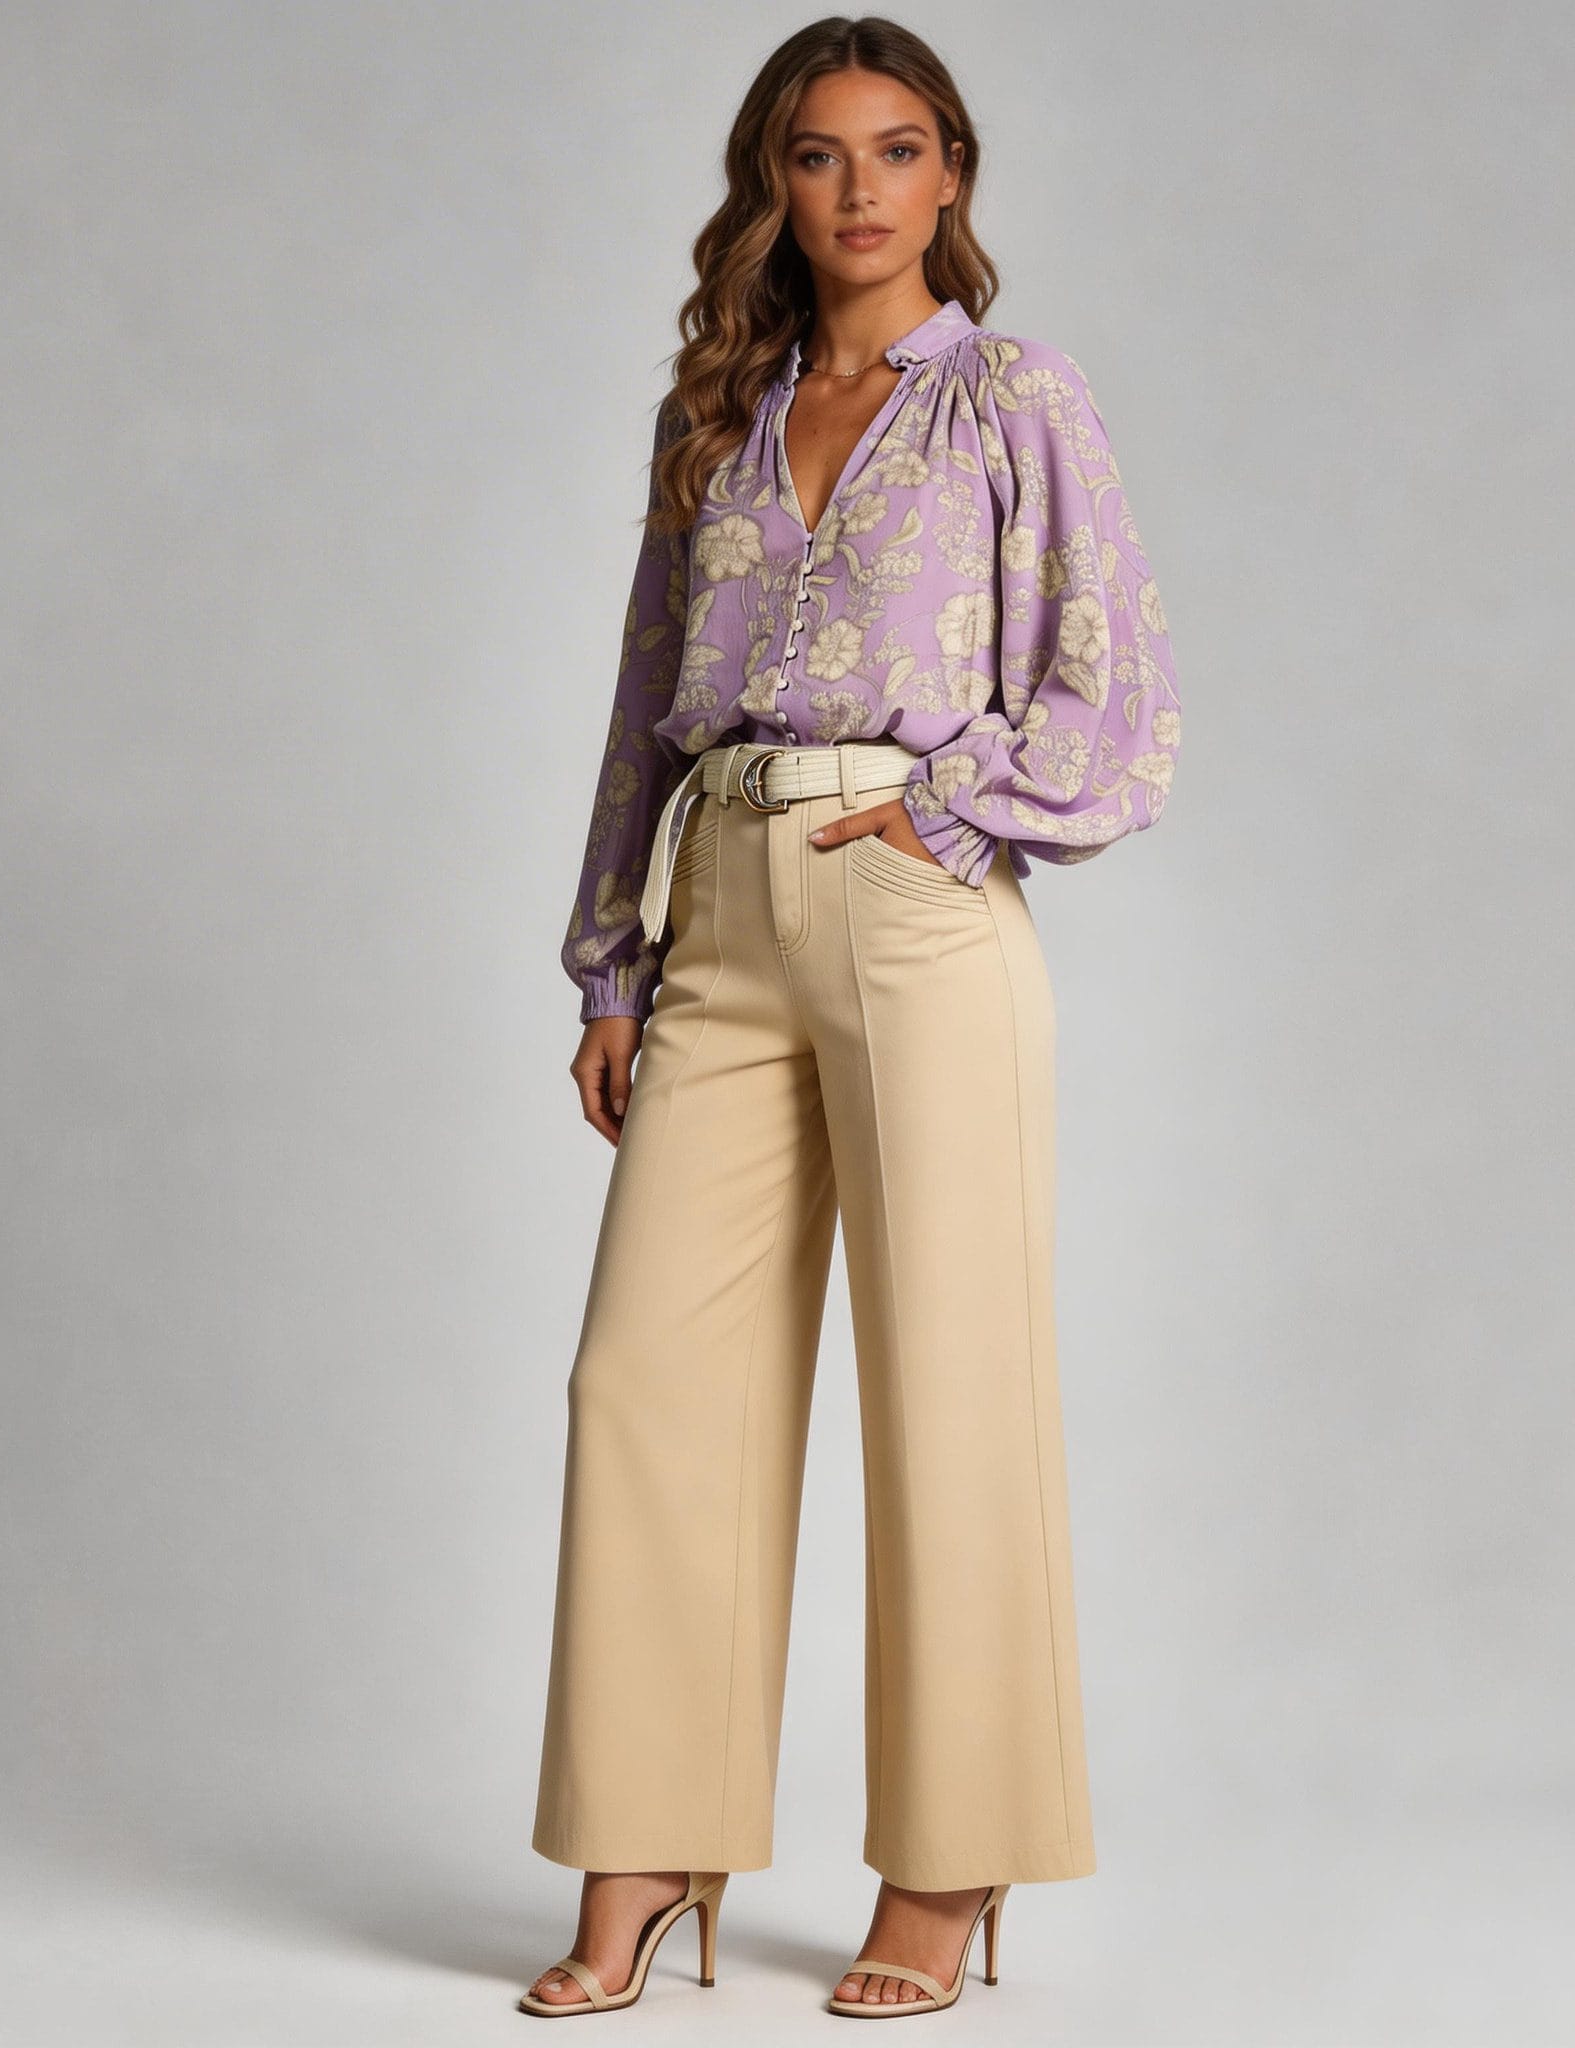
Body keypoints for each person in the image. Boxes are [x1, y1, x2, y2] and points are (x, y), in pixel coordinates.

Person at [522, 14, 1181, 2021]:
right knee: (646, 1380)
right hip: (720, 902)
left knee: (949, 1379)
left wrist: (960, 805)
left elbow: (1113, 677)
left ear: (951, 173)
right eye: (820, 154)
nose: (862, 188)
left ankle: (947, 1863)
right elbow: (644, 702)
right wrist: (613, 957)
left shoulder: (1012, 398)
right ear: (774, 185)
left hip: (912, 906)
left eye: (900, 149)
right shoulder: (718, 413)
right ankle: (652, 1840)